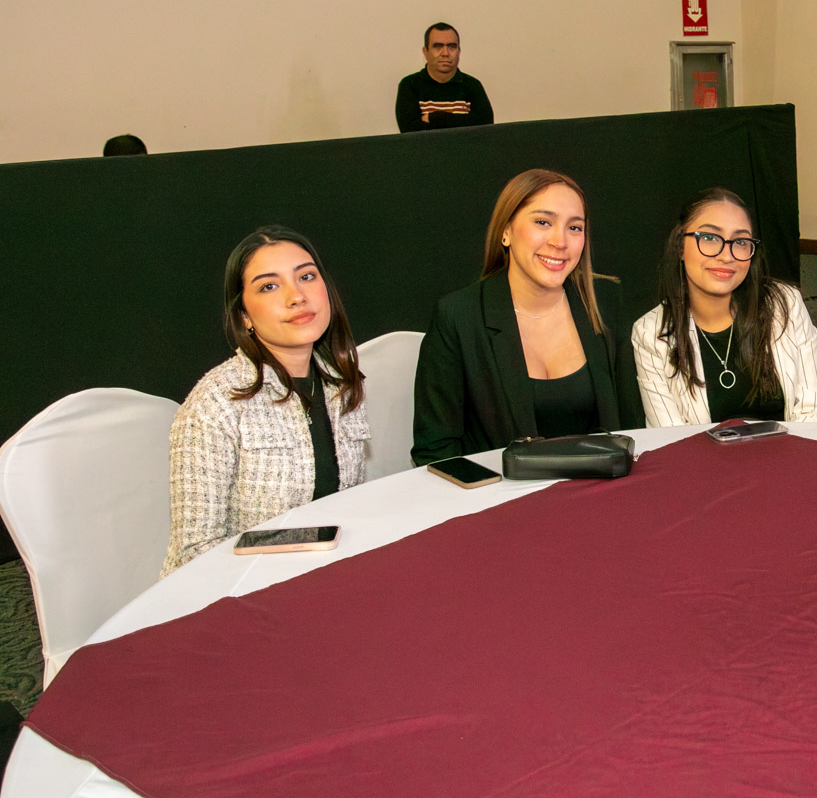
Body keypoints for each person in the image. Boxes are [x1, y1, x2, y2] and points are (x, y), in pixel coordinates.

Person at [164, 227, 368, 575]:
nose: (296, 296)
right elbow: (194, 554)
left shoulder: (341, 382)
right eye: (269, 286)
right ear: (244, 315)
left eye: (306, 277)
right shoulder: (215, 403)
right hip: (241, 588)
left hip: (326, 573)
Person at [411, 169, 644, 464]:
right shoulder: (458, 316)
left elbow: (632, 427)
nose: (560, 241)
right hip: (499, 490)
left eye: (574, 227)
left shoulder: (605, 301)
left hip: (600, 487)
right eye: (543, 222)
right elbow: (435, 449)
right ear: (506, 231)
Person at [632, 188, 817, 425]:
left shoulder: (785, 303)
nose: (727, 256)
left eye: (740, 242)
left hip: (790, 447)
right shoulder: (650, 333)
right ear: (680, 246)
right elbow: (669, 434)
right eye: (709, 238)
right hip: (701, 451)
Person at [394, 22, 494, 133]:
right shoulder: (410, 85)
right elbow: (409, 131)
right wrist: (464, 122)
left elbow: (486, 129)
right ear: (425, 52)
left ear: (459, 51)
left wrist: (434, 118)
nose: (445, 53)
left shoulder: (472, 85)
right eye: (438, 46)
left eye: (452, 47)